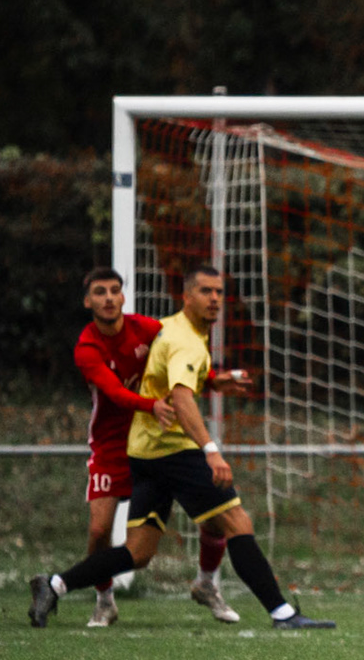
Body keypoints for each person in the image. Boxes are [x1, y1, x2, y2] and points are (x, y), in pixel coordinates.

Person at [30, 266, 334, 630]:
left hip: (143, 451)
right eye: (205, 291)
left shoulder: (165, 330)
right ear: (186, 296)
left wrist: (213, 381)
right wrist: (210, 449)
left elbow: (170, 376)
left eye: (219, 292)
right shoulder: (184, 339)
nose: (215, 299)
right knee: (236, 522)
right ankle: (281, 613)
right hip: (173, 450)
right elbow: (180, 396)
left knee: (138, 553)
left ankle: (55, 584)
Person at [74, 267, 246, 626]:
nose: (108, 298)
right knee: (98, 530)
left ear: (123, 297)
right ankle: (104, 599)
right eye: (100, 292)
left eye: (115, 291)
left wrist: (213, 381)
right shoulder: (87, 347)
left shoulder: (150, 329)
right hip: (111, 446)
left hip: (156, 442)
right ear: (87, 301)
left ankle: (207, 583)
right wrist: (150, 404)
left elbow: (182, 358)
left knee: (215, 513)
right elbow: (116, 393)